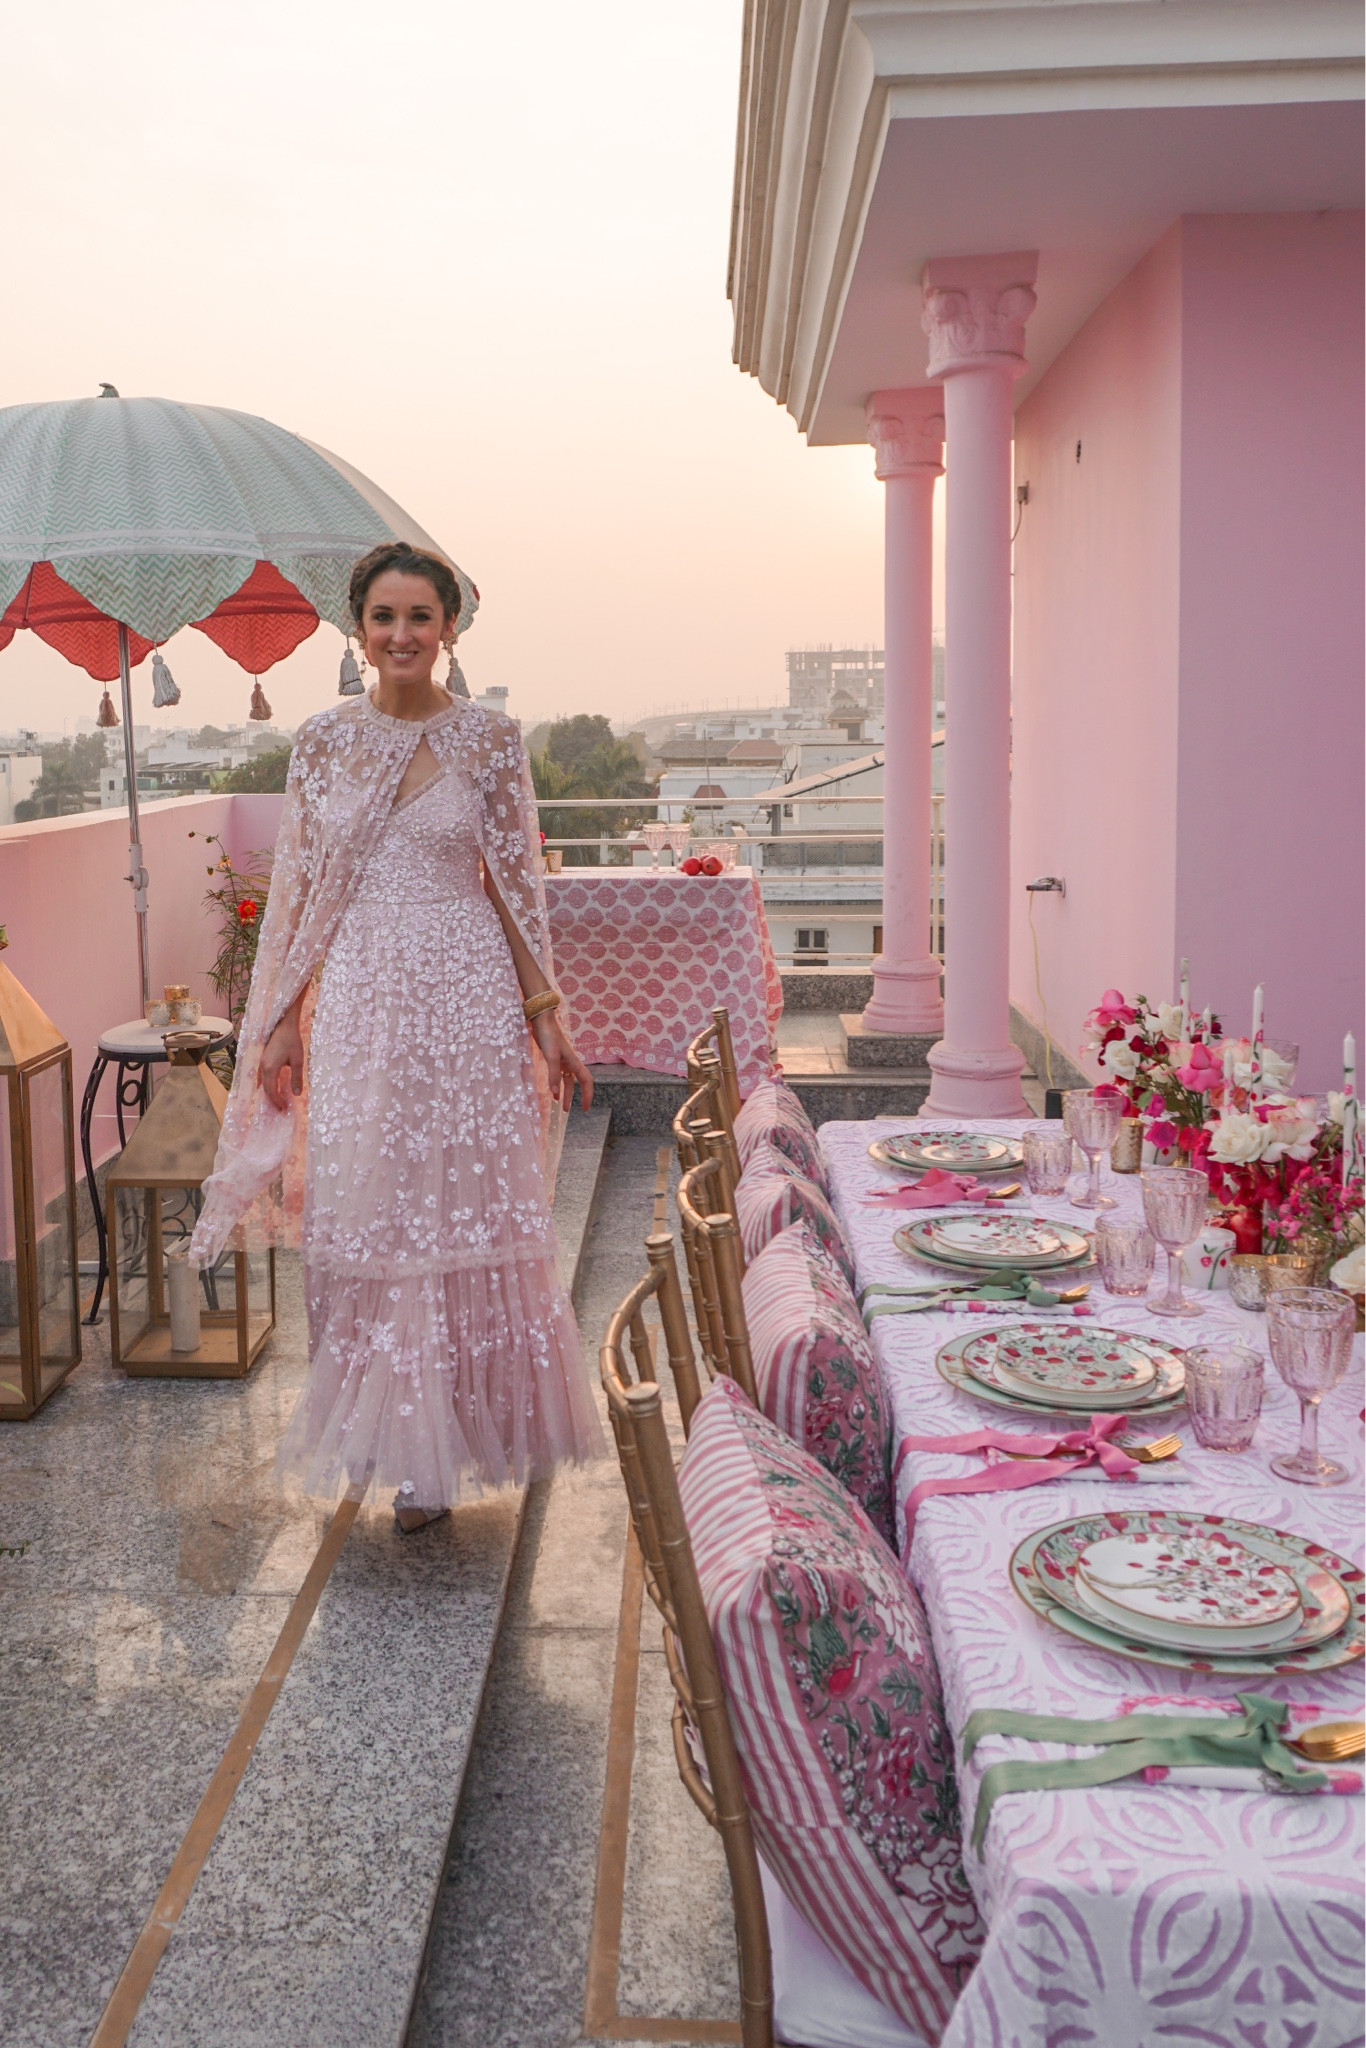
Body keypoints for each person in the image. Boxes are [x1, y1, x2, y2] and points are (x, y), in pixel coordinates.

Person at [190, 541, 604, 1528]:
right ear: (360, 628)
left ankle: (444, 1456)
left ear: (450, 627)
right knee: (372, 1210)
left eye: (421, 616)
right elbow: (299, 896)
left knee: (460, 1212)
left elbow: (515, 892)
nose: (402, 634)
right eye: (384, 616)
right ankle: (388, 1437)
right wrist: (283, 1022)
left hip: (466, 1002)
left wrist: (546, 1019)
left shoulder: (491, 741)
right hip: (361, 1007)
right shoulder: (323, 743)